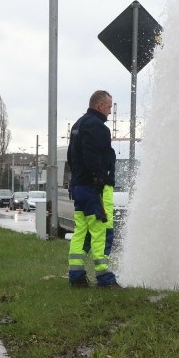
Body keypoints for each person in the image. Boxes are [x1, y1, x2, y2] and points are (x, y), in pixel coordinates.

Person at [66, 90, 120, 288]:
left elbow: (73, 157)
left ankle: (76, 275)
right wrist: (98, 178)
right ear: (99, 106)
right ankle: (105, 278)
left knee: (81, 231)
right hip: (95, 188)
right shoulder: (98, 127)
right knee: (101, 231)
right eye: (108, 107)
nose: (109, 112)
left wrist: (78, 179)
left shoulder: (78, 125)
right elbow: (93, 155)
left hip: (80, 186)